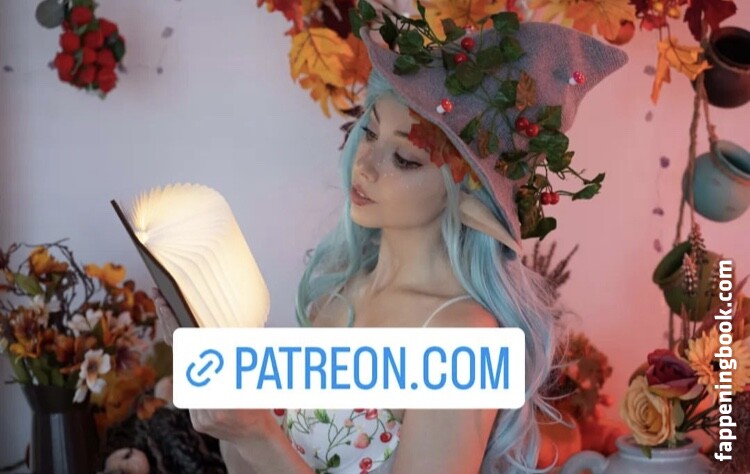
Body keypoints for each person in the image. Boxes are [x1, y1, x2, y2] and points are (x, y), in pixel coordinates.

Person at [155, 9, 627, 474]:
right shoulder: (337, 294)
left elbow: (263, 446)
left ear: (469, 194)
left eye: (404, 158)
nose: (364, 166)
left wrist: (258, 434)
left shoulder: (462, 338)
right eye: (369, 133)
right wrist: (230, 408)